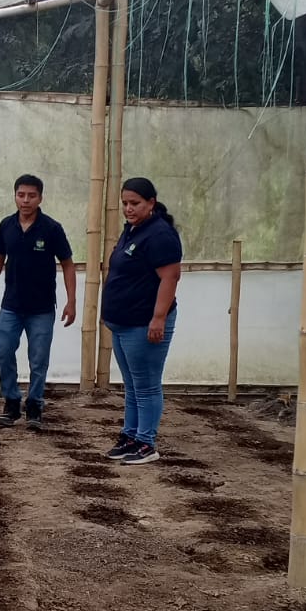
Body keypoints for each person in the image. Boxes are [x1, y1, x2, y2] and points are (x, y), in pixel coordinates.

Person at [0, 174, 77, 432]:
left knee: (38, 359)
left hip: (42, 308)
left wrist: (71, 301)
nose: (26, 200)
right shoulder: (7, 225)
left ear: (40, 198)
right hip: (11, 305)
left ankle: (35, 406)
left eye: (31, 195)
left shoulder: (51, 228)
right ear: (15, 196)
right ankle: (11, 402)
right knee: (3, 351)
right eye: (21, 195)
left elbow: (67, 264)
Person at [100, 177, 183, 465]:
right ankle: (131, 436)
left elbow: (170, 277)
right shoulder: (133, 230)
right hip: (123, 323)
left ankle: (146, 442)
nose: (128, 208)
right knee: (133, 385)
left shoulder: (160, 235)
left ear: (151, 203)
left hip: (144, 323)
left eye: (134, 203)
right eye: (125, 203)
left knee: (146, 385)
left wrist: (158, 318)